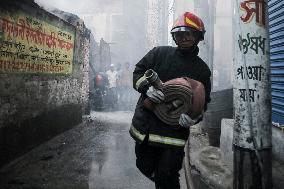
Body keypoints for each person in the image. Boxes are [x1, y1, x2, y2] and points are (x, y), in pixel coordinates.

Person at [130, 12, 211, 189]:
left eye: (189, 33)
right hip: (147, 126)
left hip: (174, 133)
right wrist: (147, 88)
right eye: (180, 34)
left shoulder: (202, 71)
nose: (184, 37)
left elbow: (204, 103)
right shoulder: (159, 54)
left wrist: (193, 117)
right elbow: (138, 72)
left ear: (198, 37)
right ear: (174, 37)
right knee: (143, 165)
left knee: (166, 175)